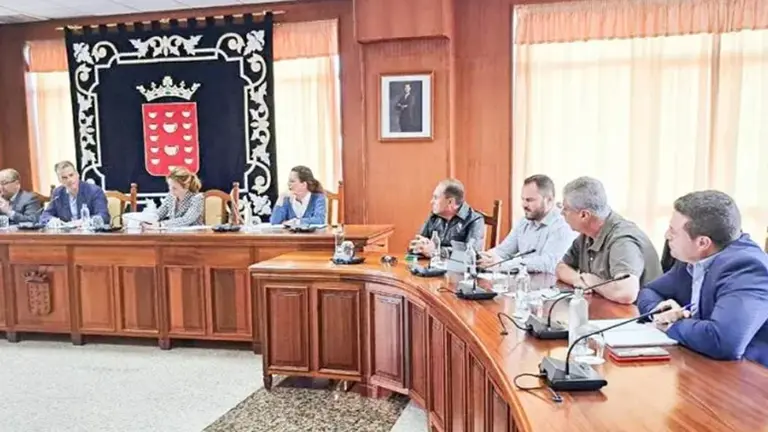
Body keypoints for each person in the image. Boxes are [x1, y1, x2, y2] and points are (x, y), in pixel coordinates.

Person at [637, 191, 768, 367]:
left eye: (673, 231)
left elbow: (723, 341)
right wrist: (660, 312)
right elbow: (650, 291)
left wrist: (673, 324)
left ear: (702, 243)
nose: (667, 235)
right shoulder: (692, 259)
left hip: (750, 376)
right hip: (703, 363)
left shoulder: (746, 268)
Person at [555, 176, 661, 304]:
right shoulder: (587, 234)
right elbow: (561, 267)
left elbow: (626, 293)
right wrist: (578, 280)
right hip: (608, 310)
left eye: (565, 209)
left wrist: (593, 282)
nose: (562, 213)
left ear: (584, 215)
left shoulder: (622, 240)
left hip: (640, 316)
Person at [478, 175, 576, 273]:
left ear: (549, 200)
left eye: (529, 200)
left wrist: (502, 265)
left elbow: (548, 264)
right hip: (525, 283)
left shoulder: (563, 224)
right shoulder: (524, 221)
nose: (524, 205)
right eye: (523, 199)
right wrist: (482, 258)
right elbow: (503, 251)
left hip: (550, 284)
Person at [410, 178, 485, 257]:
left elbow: (472, 252)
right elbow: (417, 244)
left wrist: (436, 250)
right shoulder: (434, 216)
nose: (431, 201)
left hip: (457, 268)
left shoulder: (475, 220)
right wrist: (419, 246)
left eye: (436, 197)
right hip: (432, 266)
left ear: (450, 202)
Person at [40, 161, 109, 225]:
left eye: (71, 175)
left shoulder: (94, 191)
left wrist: (84, 222)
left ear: (77, 174)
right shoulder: (58, 193)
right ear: (59, 180)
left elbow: (104, 216)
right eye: (64, 178)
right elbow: (45, 216)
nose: (69, 180)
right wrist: (53, 220)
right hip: (66, 235)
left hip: (90, 235)